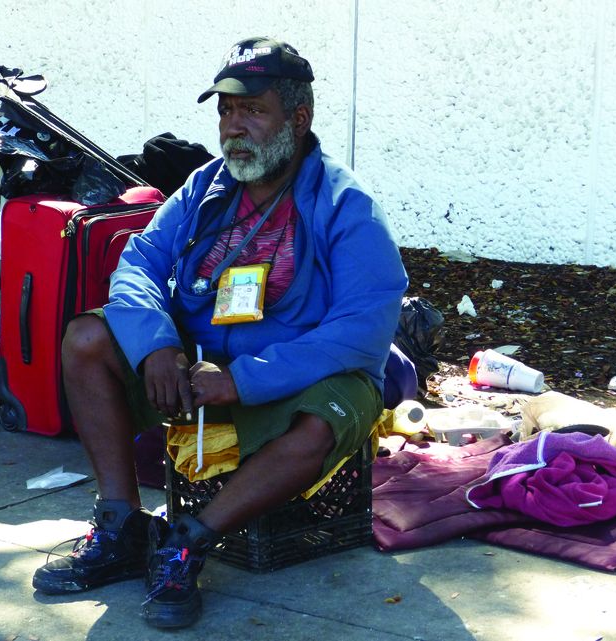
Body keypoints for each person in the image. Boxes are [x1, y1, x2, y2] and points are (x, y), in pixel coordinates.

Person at [32, 36, 409, 629]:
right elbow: (139, 263)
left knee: (322, 423)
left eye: (253, 110)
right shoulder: (206, 186)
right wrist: (157, 344)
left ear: (298, 118)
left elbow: (362, 330)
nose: (234, 127)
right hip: (196, 369)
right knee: (87, 340)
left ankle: (185, 543)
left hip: (297, 373)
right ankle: (123, 527)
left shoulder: (344, 204)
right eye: (226, 111)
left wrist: (243, 380)